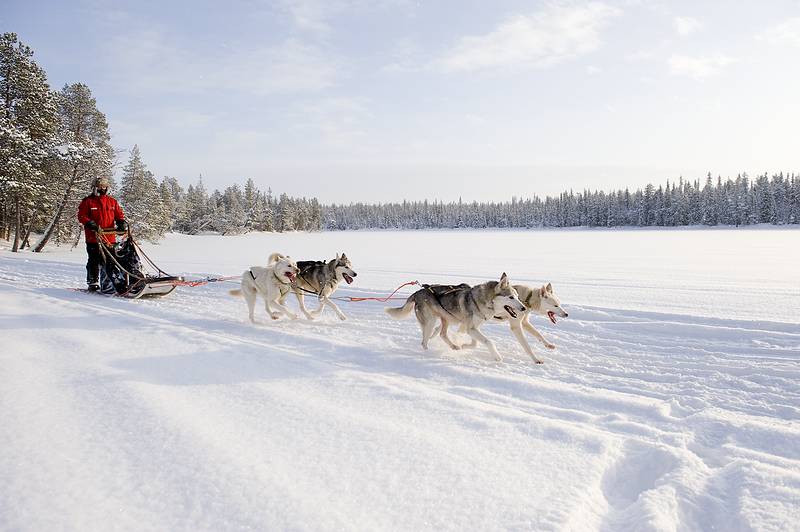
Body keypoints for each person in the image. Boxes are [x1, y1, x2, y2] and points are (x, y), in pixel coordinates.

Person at [77, 177, 126, 291]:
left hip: (109, 238)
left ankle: (109, 282)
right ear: (94, 188)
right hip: (93, 237)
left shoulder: (112, 201)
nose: (102, 189)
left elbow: (119, 215)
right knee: (94, 260)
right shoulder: (88, 201)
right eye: (100, 187)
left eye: (104, 187)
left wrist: (120, 222)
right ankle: (92, 281)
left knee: (110, 261)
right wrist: (90, 223)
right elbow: (82, 216)